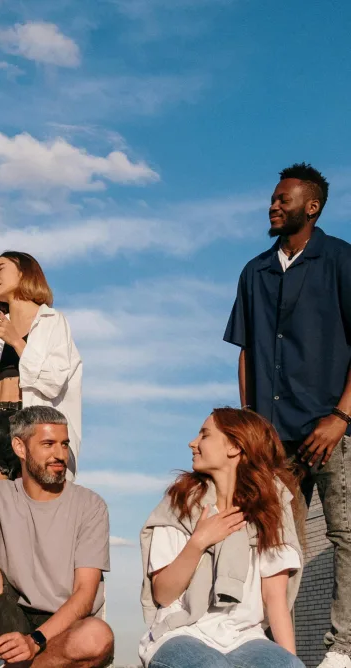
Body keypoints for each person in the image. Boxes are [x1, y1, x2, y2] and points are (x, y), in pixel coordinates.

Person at [223, 162, 351, 668]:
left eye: (283, 199)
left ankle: (342, 649)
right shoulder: (253, 271)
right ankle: (276, 649)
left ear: (311, 207)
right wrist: (249, 424)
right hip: (273, 439)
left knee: (345, 537)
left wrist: (341, 417)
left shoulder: (341, 260)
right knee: (273, 542)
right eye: (273, 199)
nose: (273, 205)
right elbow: (246, 352)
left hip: (332, 431)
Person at [139, 407, 305, 668]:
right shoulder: (179, 503)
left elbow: (275, 598)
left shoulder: (272, 509)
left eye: (204, 435)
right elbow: (163, 594)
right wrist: (198, 542)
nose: (192, 443)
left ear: (234, 447)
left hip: (245, 637)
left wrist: (290, 661)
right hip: (181, 631)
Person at [0, 405, 113, 668]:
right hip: (10, 611)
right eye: (48, 444)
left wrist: (35, 640)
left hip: (61, 625)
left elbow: (85, 595)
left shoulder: (91, 505)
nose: (59, 454)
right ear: (20, 447)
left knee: (97, 636)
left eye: (64, 444)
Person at [0, 251, 82, 500]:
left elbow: (53, 381)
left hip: (34, 425)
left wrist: (17, 341)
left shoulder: (52, 321)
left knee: (31, 516)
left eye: (0, 268)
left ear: (24, 273)